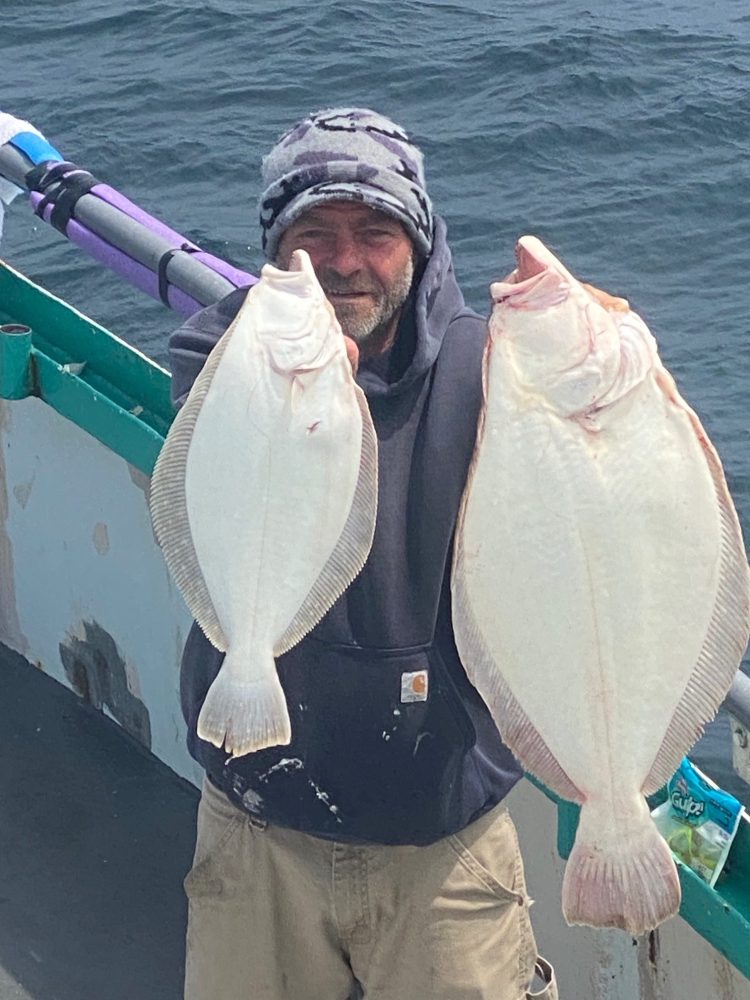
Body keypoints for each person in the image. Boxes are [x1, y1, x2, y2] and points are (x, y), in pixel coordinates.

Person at [169, 107, 558, 1000]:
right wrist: (300, 395)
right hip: (256, 814)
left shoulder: (492, 371)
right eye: (314, 235)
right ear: (275, 249)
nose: (344, 261)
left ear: (420, 242)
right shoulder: (223, 352)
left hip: (443, 829)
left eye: (375, 233)